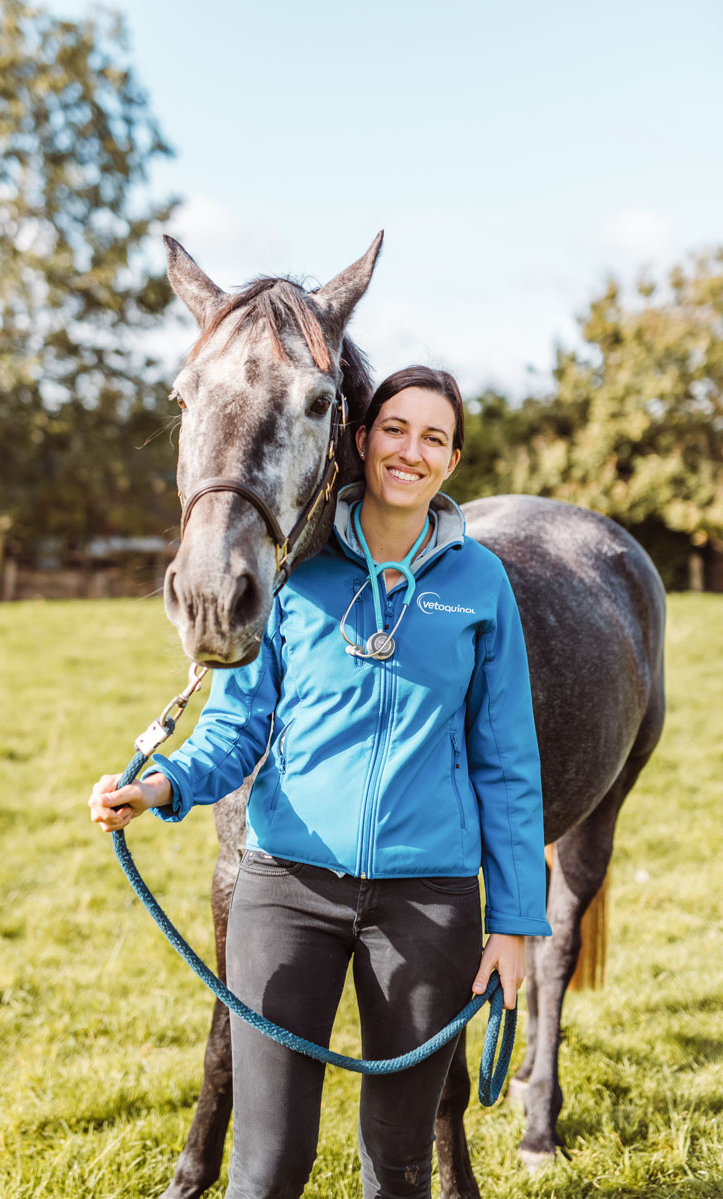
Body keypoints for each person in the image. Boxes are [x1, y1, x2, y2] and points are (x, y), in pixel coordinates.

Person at [90, 365, 551, 1199]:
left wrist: (516, 921)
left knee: (400, 1164)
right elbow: (236, 728)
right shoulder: (293, 572)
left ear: (452, 462)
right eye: (396, 429)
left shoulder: (481, 585)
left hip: (429, 902)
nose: (411, 450)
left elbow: (508, 764)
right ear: (362, 438)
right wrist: (160, 785)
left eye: (434, 437)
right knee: (267, 1166)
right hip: (285, 893)